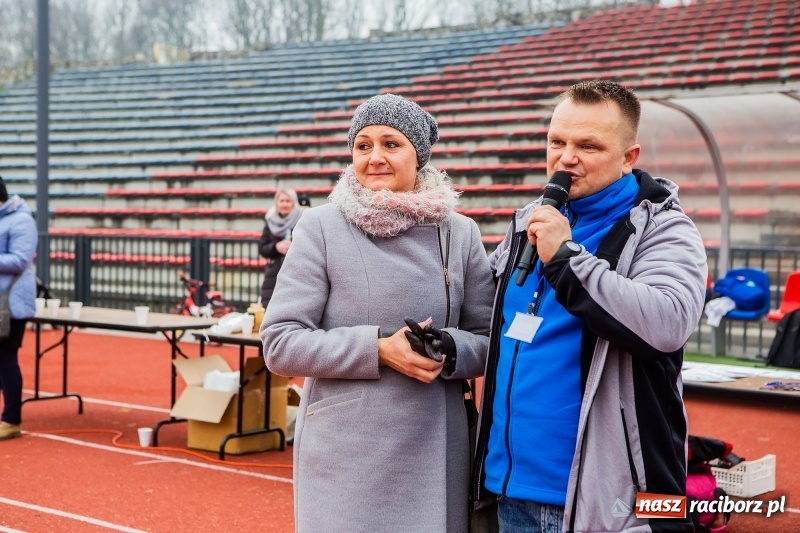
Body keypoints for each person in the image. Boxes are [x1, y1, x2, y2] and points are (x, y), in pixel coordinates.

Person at [470, 80, 708, 532]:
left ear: (629, 158)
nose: (565, 157)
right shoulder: (530, 219)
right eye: (556, 141)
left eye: (588, 145)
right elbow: (491, 325)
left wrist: (565, 258)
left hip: (604, 500)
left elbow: (666, 323)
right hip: (508, 489)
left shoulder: (666, 229)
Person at [261, 93, 495, 532]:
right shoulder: (320, 227)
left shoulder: (460, 233)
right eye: (363, 145)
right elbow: (280, 343)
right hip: (345, 448)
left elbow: (488, 339)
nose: (375, 158)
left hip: (435, 444)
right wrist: (378, 350)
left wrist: (448, 346)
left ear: (418, 155)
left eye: (391, 144)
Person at [0, 177, 38, 441]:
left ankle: (12, 419)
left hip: (11, 305)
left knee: (6, 359)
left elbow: (21, 260)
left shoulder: (22, 220)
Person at [258, 188, 303, 307]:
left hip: (296, 272)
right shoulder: (271, 222)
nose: (284, 204)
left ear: (293, 203)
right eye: (281, 201)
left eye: (288, 201)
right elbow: (262, 248)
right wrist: (276, 247)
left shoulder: (302, 220)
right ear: (276, 203)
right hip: (274, 275)